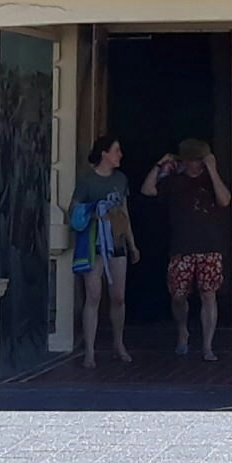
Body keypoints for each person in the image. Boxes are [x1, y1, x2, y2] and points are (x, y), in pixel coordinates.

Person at [142, 137, 232, 361]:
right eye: (195, 160)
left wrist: (212, 170)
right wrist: (159, 165)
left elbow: (225, 200)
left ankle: (207, 345)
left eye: (201, 160)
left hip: (209, 245)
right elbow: (147, 190)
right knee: (178, 296)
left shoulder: (211, 179)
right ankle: (182, 330)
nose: (198, 164)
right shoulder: (174, 180)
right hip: (182, 246)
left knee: (208, 295)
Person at [68, 136, 135, 368]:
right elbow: (73, 211)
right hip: (94, 244)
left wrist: (132, 244)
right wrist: (94, 213)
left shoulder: (121, 179)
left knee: (118, 297)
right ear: (105, 154)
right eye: (116, 150)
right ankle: (89, 351)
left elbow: (125, 213)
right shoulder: (87, 181)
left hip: (117, 243)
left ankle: (119, 343)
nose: (120, 155)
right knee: (93, 296)